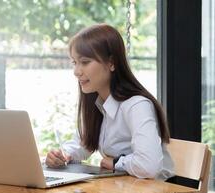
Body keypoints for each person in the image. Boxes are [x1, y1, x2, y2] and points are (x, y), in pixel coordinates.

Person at [45, 24, 174, 180]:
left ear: (111, 63)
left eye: (85, 62)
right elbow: (83, 145)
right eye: (74, 62)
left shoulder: (136, 105)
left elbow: (149, 166)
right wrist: (62, 155)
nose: (76, 72)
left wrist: (117, 162)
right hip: (125, 189)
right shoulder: (99, 104)